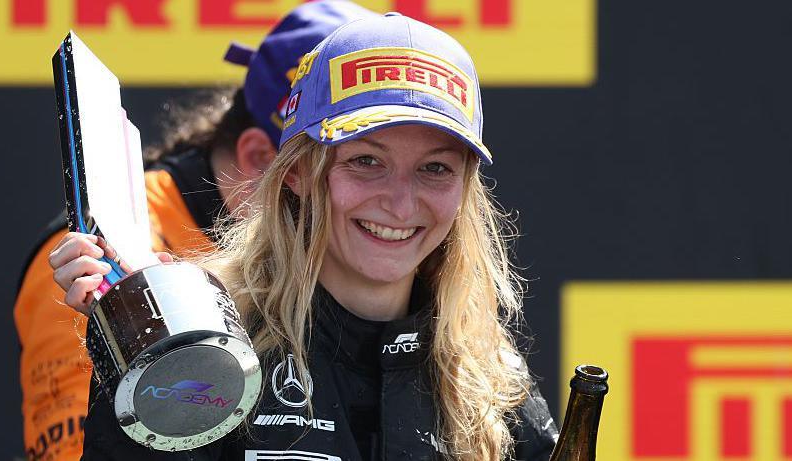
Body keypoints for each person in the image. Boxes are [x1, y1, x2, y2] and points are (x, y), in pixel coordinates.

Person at [50, 11, 559, 461]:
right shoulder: (214, 347)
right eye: (366, 161)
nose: (402, 204)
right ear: (295, 171)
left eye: (435, 169)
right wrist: (141, 351)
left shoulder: (489, 376)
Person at [15, 2, 376, 460]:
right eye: (359, 164)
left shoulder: (357, 266)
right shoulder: (100, 259)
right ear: (263, 159)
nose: (386, 201)